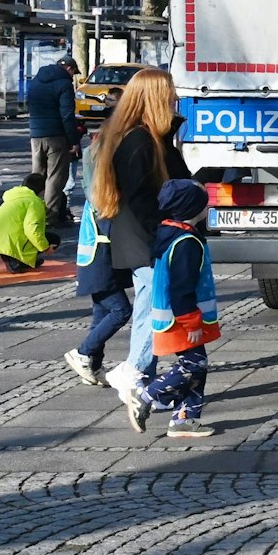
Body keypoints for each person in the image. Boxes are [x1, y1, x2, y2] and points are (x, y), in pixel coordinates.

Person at [91, 69, 190, 404]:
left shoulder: (149, 137)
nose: (175, 98)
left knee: (153, 308)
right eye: (170, 93)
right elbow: (141, 198)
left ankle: (141, 380)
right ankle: (133, 372)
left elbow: (178, 178)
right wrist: (162, 234)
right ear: (155, 98)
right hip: (145, 240)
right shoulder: (138, 141)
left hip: (145, 238)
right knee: (155, 309)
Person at [125, 179, 220, 438]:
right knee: (192, 364)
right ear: (193, 209)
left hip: (178, 317)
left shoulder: (171, 232)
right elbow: (181, 288)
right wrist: (191, 322)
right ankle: (146, 396)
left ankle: (184, 419)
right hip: (180, 319)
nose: (207, 206)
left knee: (197, 365)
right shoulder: (186, 242)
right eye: (203, 203)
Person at [25, 55, 82, 225]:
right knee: (55, 177)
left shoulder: (36, 80)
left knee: (37, 175)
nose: (73, 76)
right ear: (69, 69)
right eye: (73, 73)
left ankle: (31, 212)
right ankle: (50, 217)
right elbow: (67, 115)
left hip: (36, 134)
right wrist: (73, 140)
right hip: (56, 135)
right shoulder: (64, 84)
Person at [0, 172, 56, 271]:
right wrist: (45, 248)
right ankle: (18, 261)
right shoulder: (34, 202)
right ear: (42, 190)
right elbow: (32, 229)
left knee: (16, 234)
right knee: (53, 239)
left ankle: (17, 259)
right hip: (10, 240)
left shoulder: (13, 197)